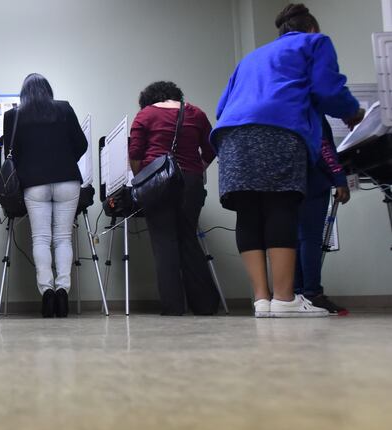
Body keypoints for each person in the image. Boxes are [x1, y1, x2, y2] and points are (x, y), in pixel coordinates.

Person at [212, 3, 364, 318]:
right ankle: (284, 299)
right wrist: (353, 112)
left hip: (230, 138)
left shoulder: (250, 58)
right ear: (311, 28)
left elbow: (222, 105)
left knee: (249, 211)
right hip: (278, 132)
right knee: (281, 206)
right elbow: (328, 89)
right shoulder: (315, 42)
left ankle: (262, 300)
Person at [129, 81, 221, 316]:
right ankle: (205, 305)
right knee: (188, 239)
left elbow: (135, 154)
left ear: (148, 99)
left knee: (164, 243)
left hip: (157, 184)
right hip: (191, 182)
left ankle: (173, 306)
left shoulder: (145, 115)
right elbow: (212, 149)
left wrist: (143, 179)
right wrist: (194, 169)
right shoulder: (195, 113)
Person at [2, 73, 87, 318]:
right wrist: (64, 160)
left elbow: (11, 152)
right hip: (67, 180)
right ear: (48, 90)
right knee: (63, 238)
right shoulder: (64, 109)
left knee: (40, 239)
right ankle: (63, 291)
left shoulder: (13, 116)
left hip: (33, 184)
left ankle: (47, 293)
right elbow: (81, 144)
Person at [294, 117, 351, 315]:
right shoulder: (312, 111)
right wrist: (339, 179)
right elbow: (324, 147)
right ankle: (312, 294)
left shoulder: (282, 107)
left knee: (293, 240)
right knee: (310, 238)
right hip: (313, 181)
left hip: (286, 181)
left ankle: (296, 294)